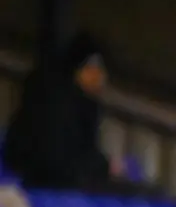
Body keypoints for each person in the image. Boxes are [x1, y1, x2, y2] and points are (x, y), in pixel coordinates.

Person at [1, 32, 129, 193]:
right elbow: (57, 159)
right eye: (95, 69)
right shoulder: (56, 100)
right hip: (49, 183)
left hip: (60, 179)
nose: (101, 78)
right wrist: (104, 166)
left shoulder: (83, 103)